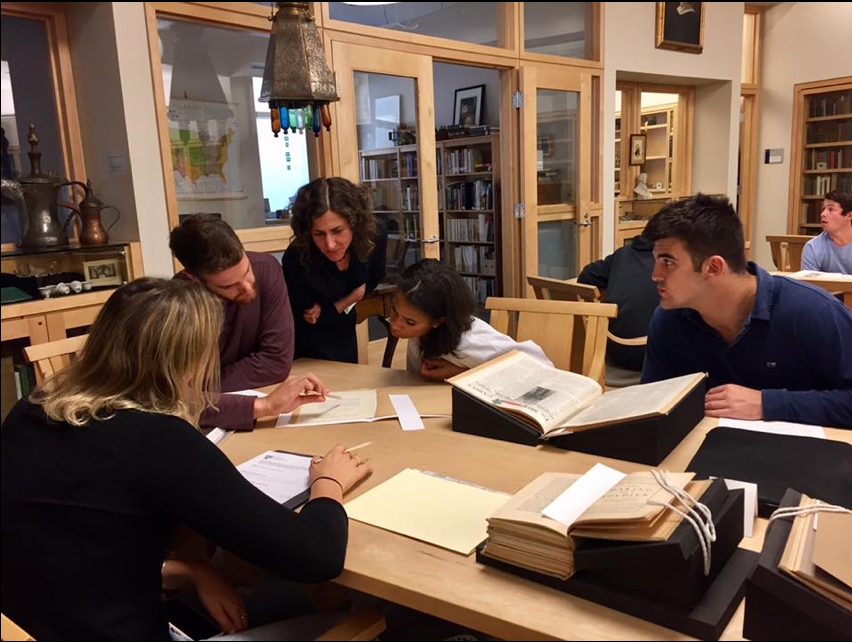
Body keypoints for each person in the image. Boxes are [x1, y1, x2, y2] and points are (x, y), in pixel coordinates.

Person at [0, 278, 372, 640]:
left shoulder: (29, 411)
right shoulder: (158, 439)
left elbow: (68, 547)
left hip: (36, 624)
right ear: (188, 363)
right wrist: (328, 482)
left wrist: (186, 570)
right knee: (351, 615)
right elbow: (317, 556)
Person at [640, 193, 852, 427]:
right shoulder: (669, 319)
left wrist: (767, 403)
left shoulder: (815, 313)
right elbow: (652, 406)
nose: (655, 275)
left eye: (668, 262)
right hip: (703, 456)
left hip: (804, 457)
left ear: (713, 267)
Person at [170, 214, 296, 431]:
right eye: (229, 286)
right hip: (205, 422)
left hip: (251, 404)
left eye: (246, 271)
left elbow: (276, 362)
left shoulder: (266, 268)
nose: (247, 288)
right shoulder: (179, 302)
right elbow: (176, 393)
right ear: (195, 279)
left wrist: (204, 389)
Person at [390, 259, 552, 381]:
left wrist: (462, 373)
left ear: (438, 321)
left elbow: (543, 369)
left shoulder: (471, 342)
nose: (395, 325)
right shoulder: (421, 330)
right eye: (395, 311)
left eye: (410, 322)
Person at [282, 177, 387, 364]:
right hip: (306, 347)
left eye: (338, 231)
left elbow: (372, 279)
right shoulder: (296, 257)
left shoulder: (374, 236)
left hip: (345, 331)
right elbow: (310, 322)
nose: (330, 244)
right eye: (319, 234)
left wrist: (333, 308)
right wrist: (350, 298)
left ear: (355, 224)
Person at [577, 228, 660, 372]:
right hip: (650, 355)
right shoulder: (671, 264)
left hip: (612, 350)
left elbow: (586, 276)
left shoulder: (623, 254)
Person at [800, 189, 852, 274]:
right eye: (823, 209)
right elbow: (808, 285)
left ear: (849, 215)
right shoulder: (813, 247)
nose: (823, 214)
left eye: (830, 209)